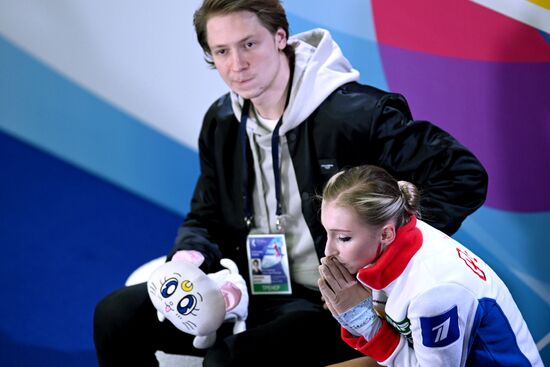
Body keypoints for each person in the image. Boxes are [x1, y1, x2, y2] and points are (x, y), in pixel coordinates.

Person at [93, 1, 489, 366]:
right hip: (244, 284)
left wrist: (385, 254)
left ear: (280, 38)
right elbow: (206, 214)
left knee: (228, 362)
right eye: (222, 51)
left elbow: (462, 177)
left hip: (328, 300)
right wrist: (189, 262)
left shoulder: (356, 114)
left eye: (249, 44)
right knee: (116, 315)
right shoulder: (222, 122)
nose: (237, 65)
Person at [318, 165, 542, 367]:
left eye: (343, 238)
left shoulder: (434, 292)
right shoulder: (399, 229)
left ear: (386, 233)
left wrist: (365, 321)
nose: (329, 250)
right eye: (327, 232)